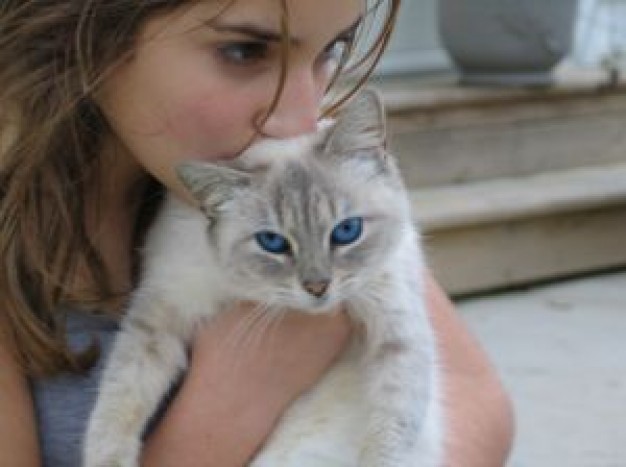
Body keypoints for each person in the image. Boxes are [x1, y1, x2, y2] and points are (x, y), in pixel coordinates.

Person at [0, 0, 515, 466]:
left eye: (331, 49)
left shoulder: (300, 176)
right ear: (89, 28)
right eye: (245, 51)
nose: (302, 117)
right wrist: (229, 407)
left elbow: (478, 400)